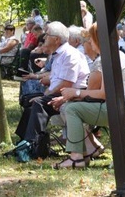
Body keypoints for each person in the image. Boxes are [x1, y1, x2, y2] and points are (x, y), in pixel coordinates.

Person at [50, 23, 125, 168]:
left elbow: (102, 94)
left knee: (71, 109)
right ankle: (86, 152)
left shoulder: (108, 59)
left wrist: (75, 92)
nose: (88, 43)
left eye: (90, 39)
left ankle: (77, 158)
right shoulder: (113, 55)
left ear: (97, 39)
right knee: (71, 107)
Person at [15, 22, 89, 158]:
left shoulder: (70, 55)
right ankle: (23, 141)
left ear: (56, 39)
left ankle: (31, 144)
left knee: (38, 103)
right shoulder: (59, 55)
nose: (44, 38)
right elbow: (56, 77)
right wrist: (38, 78)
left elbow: (66, 83)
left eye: (47, 35)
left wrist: (46, 93)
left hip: (70, 95)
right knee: (28, 101)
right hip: (59, 92)